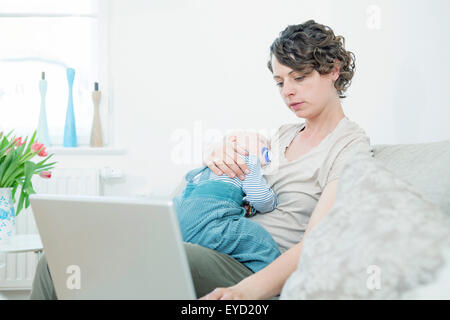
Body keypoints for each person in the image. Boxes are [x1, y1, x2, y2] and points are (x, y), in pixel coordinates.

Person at [29, 19, 372, 300]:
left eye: (299, 78)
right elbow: (236, 179)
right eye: (280, 82)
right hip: (217, 243)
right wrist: (219, 153)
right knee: (55, 261)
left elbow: (317, 243)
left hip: (255, 267)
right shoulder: (283, 133)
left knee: (159, 258)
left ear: (333, 71)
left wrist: (244, 292)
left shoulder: (349, 146)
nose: (288, 92)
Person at [174, 131, 280, 274]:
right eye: (263, 144)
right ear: (233, 140)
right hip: (210, 224)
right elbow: (261, 199)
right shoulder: (247, 160)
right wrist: (271, 200)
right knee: (260, 242)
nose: (268, 152)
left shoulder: (202, 169)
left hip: (178, 226)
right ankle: (272, 283)